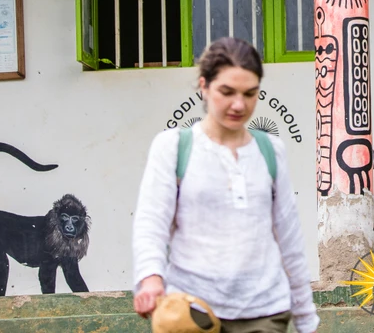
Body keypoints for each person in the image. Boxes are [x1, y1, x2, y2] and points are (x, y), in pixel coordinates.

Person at [132, 37, 318, 333]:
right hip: (191, 311)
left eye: (250, 93)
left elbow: (289, 238)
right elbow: (152, 222)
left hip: (266, 312)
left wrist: (306, 318)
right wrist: (151, 278)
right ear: (204, 86)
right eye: (227, 92)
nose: (239, 104)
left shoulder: (271, 150)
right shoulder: (174, 147)